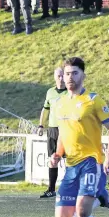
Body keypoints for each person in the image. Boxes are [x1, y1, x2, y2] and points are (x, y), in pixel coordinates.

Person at [50, 57, 109, 217]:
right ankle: (101, 198)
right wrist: (57, 154)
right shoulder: (60, 104)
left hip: (91, 161)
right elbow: (63, 133)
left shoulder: (93, 100)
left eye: (74, 73)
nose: (69, 78)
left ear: (83, 75)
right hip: (71, 165)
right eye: (67, 74)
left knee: (82, 211)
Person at [37, 68, 67, 198]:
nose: (61, 78)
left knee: (69, 160)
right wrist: (41, 125)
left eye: (63, 76)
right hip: (52, 129)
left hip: (66, 129)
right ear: (55, 77)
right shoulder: (50, 92)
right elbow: (45, 110)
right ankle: (51, 189)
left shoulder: (70, 92)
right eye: (58, 76)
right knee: (52, 159)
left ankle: (69, 189)